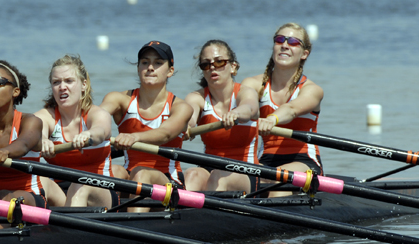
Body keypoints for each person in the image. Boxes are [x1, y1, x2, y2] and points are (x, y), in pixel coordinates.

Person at [101, 41, 192, 189]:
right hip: (130, 174)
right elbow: (96, 116)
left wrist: (134, 137)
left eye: (158, 63)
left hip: (169, 181)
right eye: (145, 62)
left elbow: (165, 134)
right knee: (115, 171)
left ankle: (133, 213)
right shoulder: (118, 99)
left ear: (170, 71)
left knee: (141, 173)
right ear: (138, 69)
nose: (150, 68)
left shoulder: (181, 107)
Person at [242, 22, 323, 176]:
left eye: (293, 42)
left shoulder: (312, 90)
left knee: (272, 179)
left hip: (304, 161)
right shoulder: (253, 84)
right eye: (280, 40)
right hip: (265, 160)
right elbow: (247, 105)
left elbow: (291, 109)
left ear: (304, 54)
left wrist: (272, 119)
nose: (285, 45)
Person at [35, 54, 114, 208]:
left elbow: (100, 131)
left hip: (99, 188)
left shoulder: (97, 114)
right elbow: (37, 129)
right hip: (61, 192)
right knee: (38, 181)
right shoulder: (46, 116)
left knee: (79, 185)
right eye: (56, 82)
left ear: (84, 85)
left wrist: (88, 135)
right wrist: (42, 140)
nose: (62, 87)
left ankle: (66, 230)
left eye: (69, 81)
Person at [183, 39, 261, 192]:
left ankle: (207, 213)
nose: (212, 67)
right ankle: (182, 214)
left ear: (233, 67)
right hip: (209, 167)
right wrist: (185, 126)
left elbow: (250, 107)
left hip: (246, 170)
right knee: (191, 174)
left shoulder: (245, 92)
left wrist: (236, 113)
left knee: (218, 177)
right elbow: (190, 116)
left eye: (219, 62)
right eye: (206, 64)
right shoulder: (196, 98)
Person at [0, 60, 46, 211]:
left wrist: (4, 152)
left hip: (29, 197)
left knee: (7, 198)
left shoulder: (31, 121)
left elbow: (23, 144)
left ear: (15, 91)